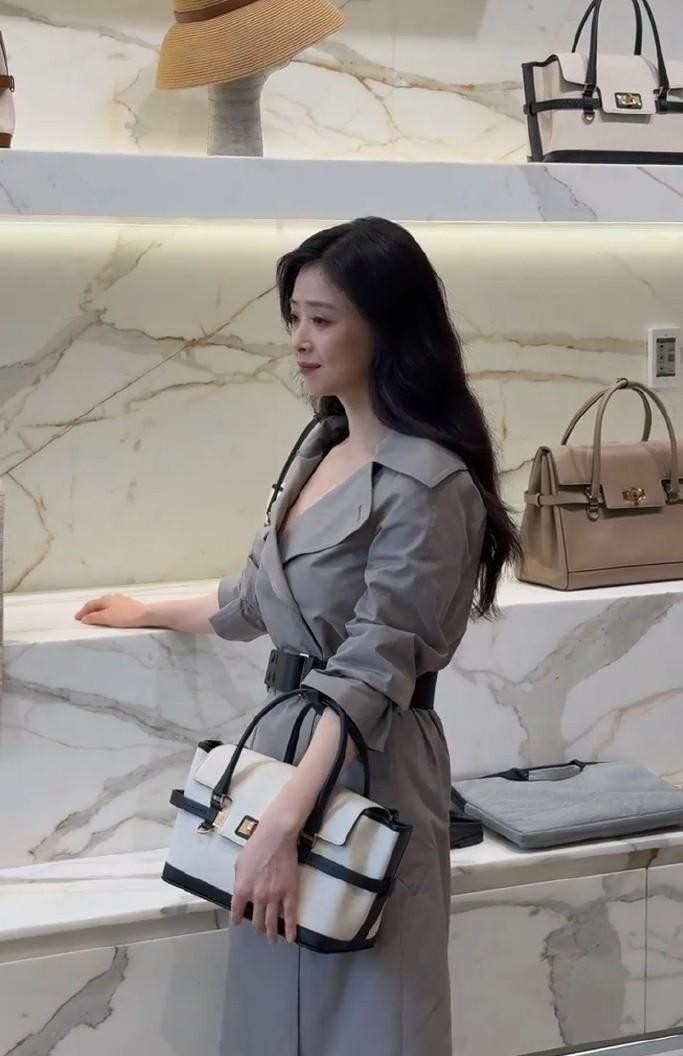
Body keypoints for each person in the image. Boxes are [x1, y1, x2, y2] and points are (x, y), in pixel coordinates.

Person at [75, 217, 521, 1056]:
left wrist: (282, 823)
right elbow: (261, 599)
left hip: (365, 764)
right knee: (274, 1009)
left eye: (322, 319)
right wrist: (147, 610)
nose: (299, 341)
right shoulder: (322, 446)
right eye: (293, 318)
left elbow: (373, 667)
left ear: (385, 325)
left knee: (369, 1015)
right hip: (285, 759)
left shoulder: (429, 483)